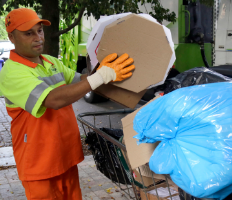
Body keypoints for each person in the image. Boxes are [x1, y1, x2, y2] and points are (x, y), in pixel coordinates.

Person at [0, 8, 135, 199]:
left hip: (65, 157)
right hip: (39, 164)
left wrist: (105, 72)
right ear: (12, 37)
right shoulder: (11, 72)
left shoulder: (51, 62)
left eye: (39, 30)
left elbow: (81, 81)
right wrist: (100, 77)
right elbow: (52, 99)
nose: (38, 37)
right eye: (28, 33)